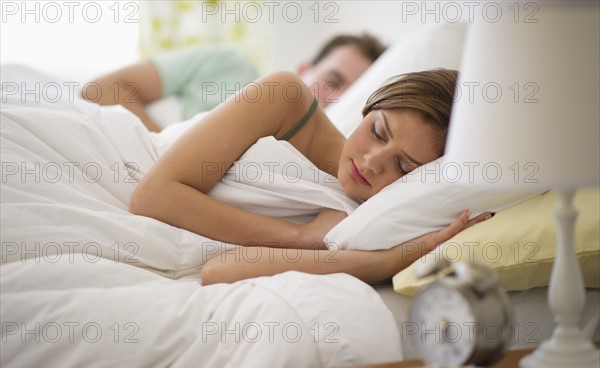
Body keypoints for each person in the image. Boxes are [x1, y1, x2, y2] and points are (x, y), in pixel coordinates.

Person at [129, 68, 492, 286]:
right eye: (378, 131)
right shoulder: (285, 98)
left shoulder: (360, 225)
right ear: (371, 106)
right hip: (120, 159)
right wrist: (299, 236)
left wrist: (383, 263)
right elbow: (152, 197)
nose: (371, 162)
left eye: (405, 168)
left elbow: (219, 271)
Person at [82, 33, 386, 133]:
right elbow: (102, 89)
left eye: (355, 94)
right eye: (332, 81)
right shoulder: (227, 65)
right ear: (304, 69)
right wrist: (161, 148)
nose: (339, 98)